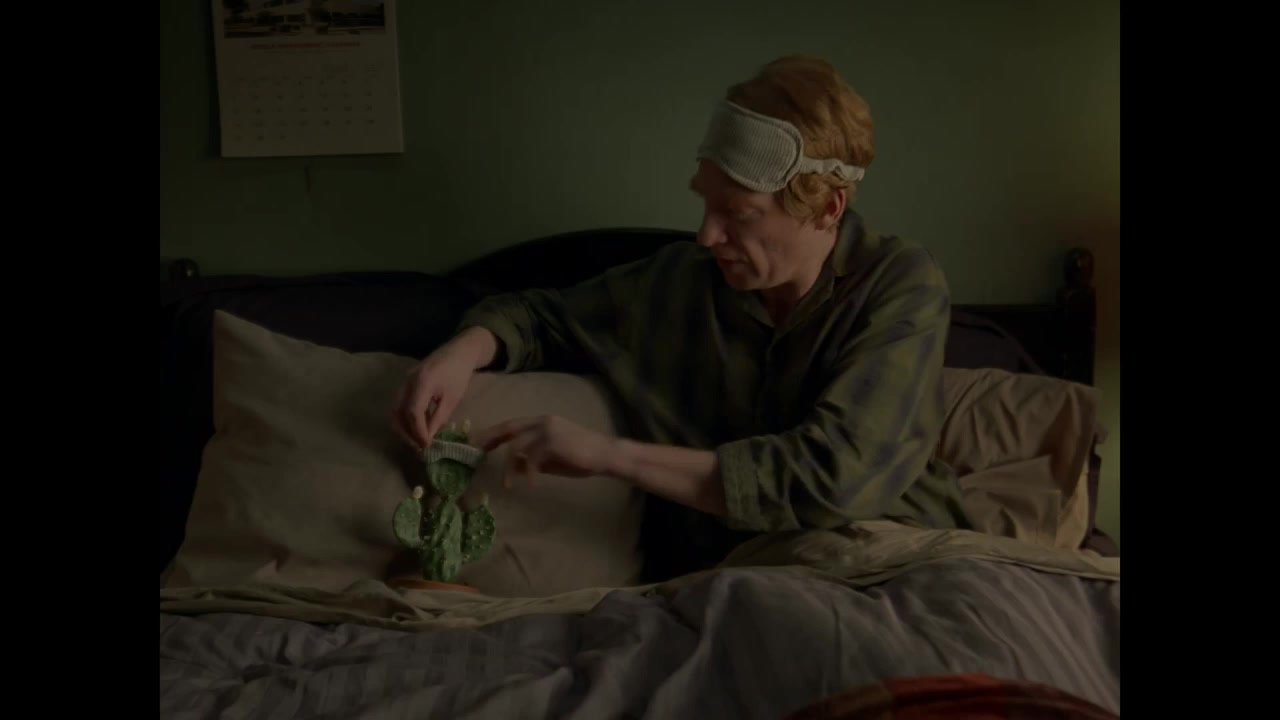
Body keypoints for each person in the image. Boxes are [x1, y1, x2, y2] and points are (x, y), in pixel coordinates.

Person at [391, 56, 970, 581]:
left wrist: (606, 455)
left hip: (896, 558)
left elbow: (833, 476)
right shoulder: (678, 283)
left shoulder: (899, 283)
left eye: (738, 213)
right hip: (739, 584)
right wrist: (463, 351)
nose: (707, 235)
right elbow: (541, 317)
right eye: (705, 202)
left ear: (827, 208)